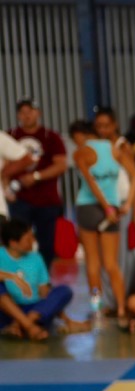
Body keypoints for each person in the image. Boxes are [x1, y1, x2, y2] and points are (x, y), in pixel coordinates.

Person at [74, 112, 135, 328]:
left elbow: (90, 183)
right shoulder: (115, 150)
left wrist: (109, 207)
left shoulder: (82, 152)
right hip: (109, 208)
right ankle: (120, 309)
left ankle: (97, 309)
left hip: (90, 207)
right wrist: (125, 203)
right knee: (111, 264)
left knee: (93, 264)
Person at [0, 218, 89, 339]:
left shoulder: (36, 257)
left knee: (64, 291)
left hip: (34, 309)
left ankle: (20, 324)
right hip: (7, 311)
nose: (33, 241)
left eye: (32, 237)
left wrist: (47, 295)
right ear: (13, 243)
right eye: (28, 239)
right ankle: (29, 326)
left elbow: (44, 292)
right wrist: (13, 277)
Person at [9, 99, 67, 266]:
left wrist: (36, 176)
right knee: (17, 240)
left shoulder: (51, 137)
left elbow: (61, 165)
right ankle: (20, 276)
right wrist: (8, 187)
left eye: (30, 111)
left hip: (46, 200)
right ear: (18, 115)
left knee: (47, 244)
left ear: (38, 113)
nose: (27, 116)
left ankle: (43, 277)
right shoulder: (11, 135)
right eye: (22, 112)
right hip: (19, 198)